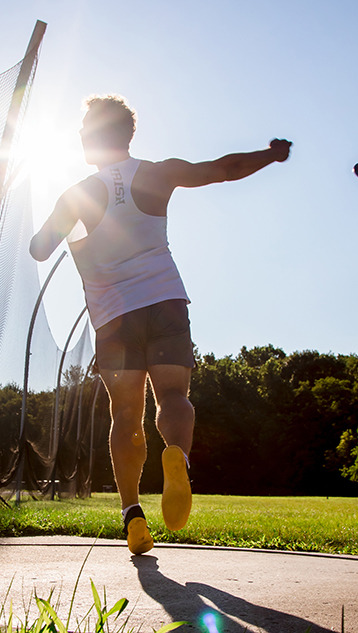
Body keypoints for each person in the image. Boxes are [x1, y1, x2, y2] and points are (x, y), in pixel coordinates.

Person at [30, 94, 292, 555]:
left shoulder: (75, 194)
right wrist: (271, 155)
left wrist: (62, 226)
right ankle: (178, 456)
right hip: (165, 299)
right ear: (128, 136)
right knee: (173, 397)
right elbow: (224, 168)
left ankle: (133, 514)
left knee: (125, 415)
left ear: (90, 139)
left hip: (113, 317)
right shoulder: (157, 172)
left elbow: (38, 248)